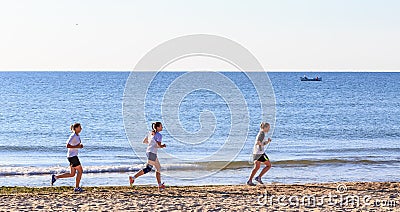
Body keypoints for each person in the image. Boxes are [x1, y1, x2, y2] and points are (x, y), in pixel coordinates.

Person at [129, 122, 167, 191]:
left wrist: (152, 143)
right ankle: (133, 178)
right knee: (148, 169)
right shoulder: (159, 135)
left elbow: (144, 141)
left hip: (149, 152)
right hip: (152, 153)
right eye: (161, 126)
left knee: (158, 168)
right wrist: (163, 145)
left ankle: (160, 185)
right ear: (158, 127)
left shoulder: (150, 133)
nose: (162, 127)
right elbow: (158, 145)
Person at [51, 123, 84, 192]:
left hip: (72, 156)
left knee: (72, 174)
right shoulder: (73, 136)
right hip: (72, 156)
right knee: (80, 171)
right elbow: (67, 145)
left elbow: (75, 145)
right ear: (76, 128)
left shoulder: (77, 136)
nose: (81, 128)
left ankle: (55, 177)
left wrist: (79, 146)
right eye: (79, 127)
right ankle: (77, 188)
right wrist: (77, 146)